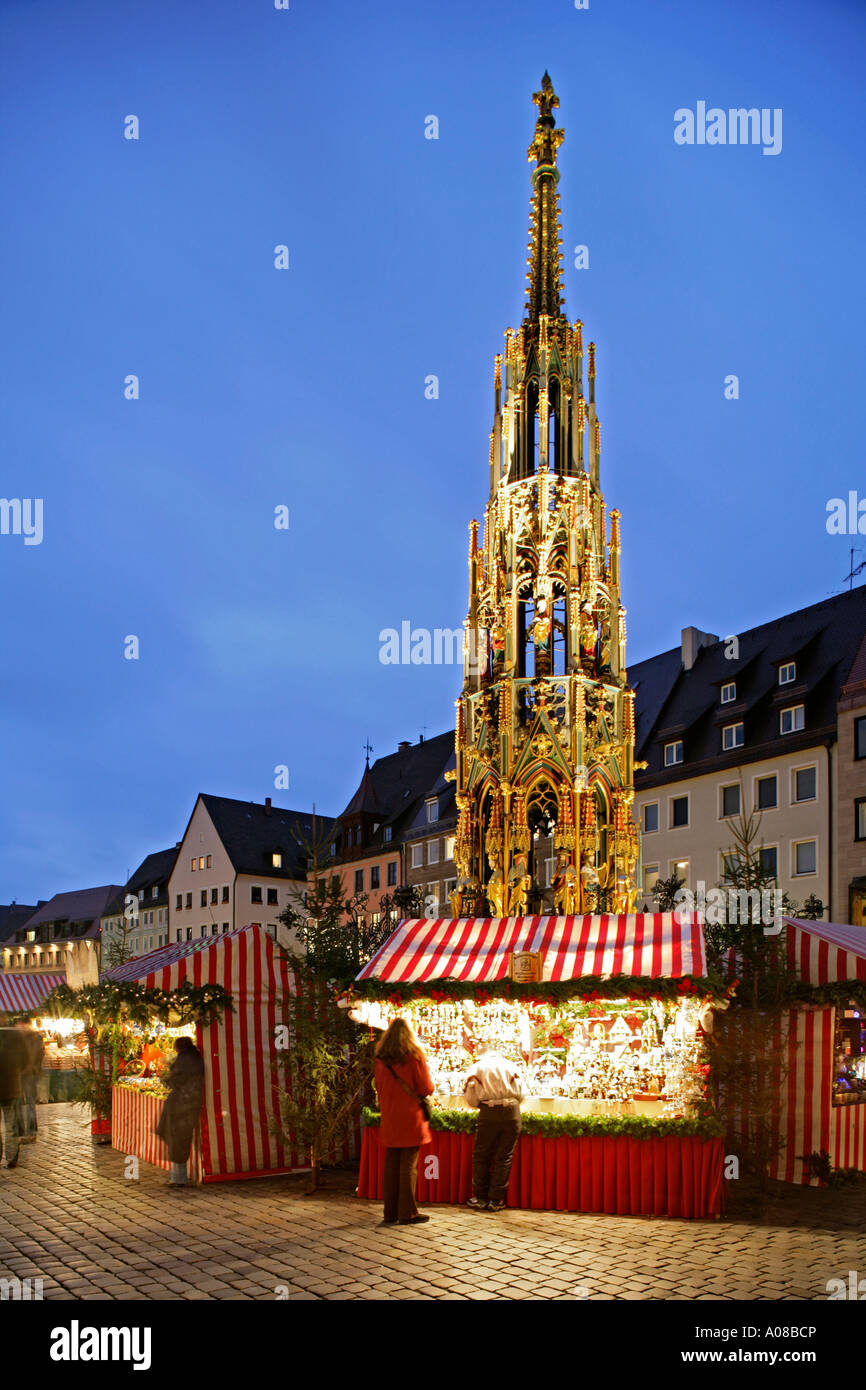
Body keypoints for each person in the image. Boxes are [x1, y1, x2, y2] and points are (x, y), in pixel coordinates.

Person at [373, 1018, 434, 1226]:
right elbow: (426, 1087)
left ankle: (390, 1211)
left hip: (390, 1115)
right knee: (409, 1165)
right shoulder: (413, 1057)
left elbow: (378, 1087)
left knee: (391, 1164)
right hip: (409, 1116)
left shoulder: (380, 1060)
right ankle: (407, 1212)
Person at [463, 1047, 524, 1212]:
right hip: (511, 1111)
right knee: (504, 1157)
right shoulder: (512, 1066)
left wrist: (482, 1104)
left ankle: (481, 1197)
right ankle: (496, 1200)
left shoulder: (477, 1068)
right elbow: (521, 1092)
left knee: (482, 1155)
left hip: (488, 1112)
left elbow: (471, 1097)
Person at [155, 1037, 204, 1187]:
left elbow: (176, 1079)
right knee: (179, 1139)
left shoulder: (185, 1060)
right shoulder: (194, 1057)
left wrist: (165, 1079)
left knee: (177, 1139)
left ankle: (178, 1178)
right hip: (189, 1101)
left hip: (182, 1103)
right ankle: (177, 1176)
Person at [0, 1028, 28, 1170]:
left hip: (11, 1088)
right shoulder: (16, 1036)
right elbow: (25, 1061)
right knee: (11, 1126)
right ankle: (11, 1158)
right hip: (12, 1088)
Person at [15, 1021, 44, 1143]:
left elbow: (39, 1054)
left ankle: (30, 1132)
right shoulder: (22, 1038)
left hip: (28, 1073)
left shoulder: (34, 1038)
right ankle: (22, 1132)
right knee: (20, 1103)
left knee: (29, 1104)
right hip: (22, 1073)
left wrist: (33, 1067)